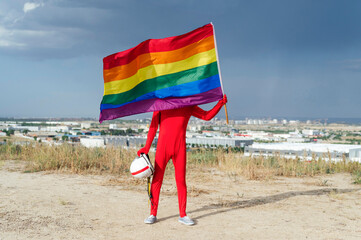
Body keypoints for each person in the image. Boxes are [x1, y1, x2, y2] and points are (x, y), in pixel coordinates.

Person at [137, 95, 227, 225]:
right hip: (163, 148)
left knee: (181, 181)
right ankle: (153, 213)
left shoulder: (188, 104)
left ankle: (183, 215)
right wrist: (146, 147)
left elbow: (206, 116)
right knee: (157, 180)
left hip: (179, 148)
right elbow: (153, 127)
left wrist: (220, 103)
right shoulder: (161, 103)